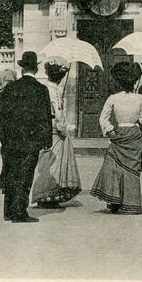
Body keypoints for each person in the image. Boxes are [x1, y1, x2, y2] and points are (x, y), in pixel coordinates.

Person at [90, 62, 142, 215]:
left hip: (119, 133)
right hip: (134, 134)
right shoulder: (141, 98)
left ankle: (114, 201)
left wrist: (110, 131)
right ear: (135, 80)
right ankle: (131, 203)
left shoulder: (113, 98)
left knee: (115, 168)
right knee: (132, 169)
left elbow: (103, 119)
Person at [2, 51, 53, 223]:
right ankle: (19, 212)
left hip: (11, 138)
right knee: (25, 175)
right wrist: (47, 140)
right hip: (31, 139)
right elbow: (45, 117)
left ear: (22, 68)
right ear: (36, 69)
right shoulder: (41, 90)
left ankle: (8, 211)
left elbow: (4, 114)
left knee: (10, 173)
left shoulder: (10, 87)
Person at [31, 63, 81, 208]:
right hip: (54, 126)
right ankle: (48, 195)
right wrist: (63, 128)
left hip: (44, 125)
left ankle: (46, 194)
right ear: (59, 77)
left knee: (46, 160)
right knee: (55, 162)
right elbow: (58, 113)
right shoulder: (55, 91)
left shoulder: (44, 87)